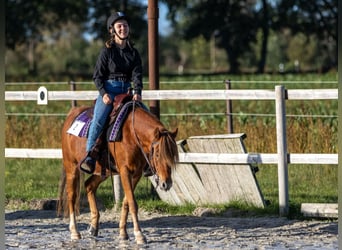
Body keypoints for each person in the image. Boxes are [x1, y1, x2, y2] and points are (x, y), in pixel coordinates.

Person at [80, 12, 143, 174]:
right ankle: (90, 156)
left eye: (125, 25)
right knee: (99, 120)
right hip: (109, 90)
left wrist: (137, 92)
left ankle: (147, 160)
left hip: (127, 91)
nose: (123, 28)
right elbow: (97, 76)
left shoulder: (134, 53)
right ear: (112, 30)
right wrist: (104, 93)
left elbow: (137, 75)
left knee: (146, 117)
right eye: (119, 26)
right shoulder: (106, 52)